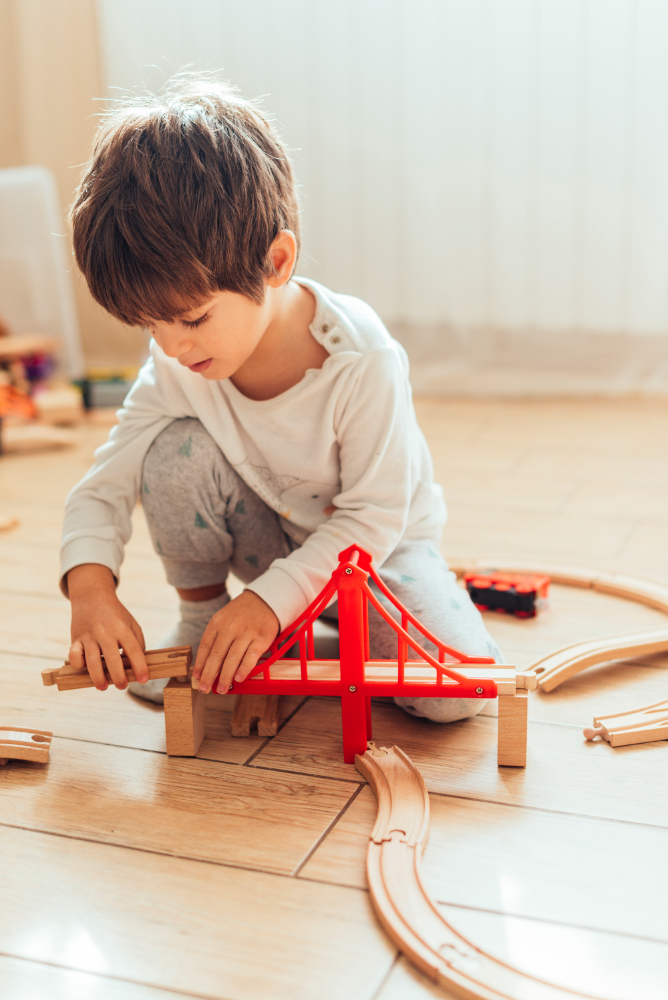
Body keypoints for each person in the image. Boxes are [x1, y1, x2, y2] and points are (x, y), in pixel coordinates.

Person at [61, 75, 501, 722]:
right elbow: (108, 481)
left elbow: (375, 518)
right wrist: (91, 586)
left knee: (452, 698)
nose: (172, 348)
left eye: (189, 320)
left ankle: (289, 627)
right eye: (149, 326)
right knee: (172, 450)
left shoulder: (362, 360)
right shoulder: (176, 358)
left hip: (373, 557)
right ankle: (205, 624)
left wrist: (269, 604)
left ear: (275, 262)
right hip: (266, 538)